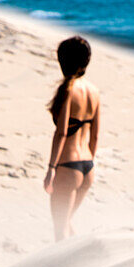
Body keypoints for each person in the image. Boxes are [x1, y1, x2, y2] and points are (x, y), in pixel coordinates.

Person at [43, 36, 100, 241]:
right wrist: (88, 163)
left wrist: (51, 168)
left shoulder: (68, 89)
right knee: (66, 222)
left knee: (60, 229)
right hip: (87, 167)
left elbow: (62, 133)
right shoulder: (93, 91)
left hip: (68, 166)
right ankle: (87, 260)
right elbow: (94, 136)